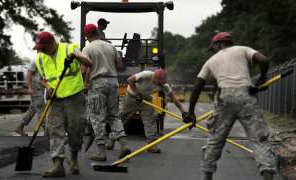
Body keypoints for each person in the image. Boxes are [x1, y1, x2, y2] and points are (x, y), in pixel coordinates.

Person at [183, 32, 276, 180]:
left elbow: (196, 89)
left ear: (217, 45)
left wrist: (191, 114)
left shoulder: (211, 61)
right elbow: (263, 61)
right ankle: (267, 174)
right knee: (259, 139)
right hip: (247, 97)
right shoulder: (243, 50)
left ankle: (207, 175)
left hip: (225, 98)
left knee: (215, 139)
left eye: (212, 48)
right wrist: (262, 79)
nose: (212, 51)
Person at [33, 31, 93, 177]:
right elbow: (41, 78)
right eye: (38, 48)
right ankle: (58, 164)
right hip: (55, 100)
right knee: (54, 130)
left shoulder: (69, 49)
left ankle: (73, 157)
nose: (40, 50)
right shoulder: (40, 57)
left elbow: (89, 63)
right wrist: (48, 88)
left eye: (42, 47)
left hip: (74, 97)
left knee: (76, 129)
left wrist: (75, 57)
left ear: (51, 43)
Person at [106, 69, 187, 153]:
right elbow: (129, 80)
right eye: (160, 82)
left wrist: (183, 112)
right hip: (131, 97)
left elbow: (174, 99)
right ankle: (111, 140)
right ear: (154, 78)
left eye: (163, 81)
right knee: (122, 118)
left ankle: (152, 145)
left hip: (145, 99)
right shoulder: (146, 75)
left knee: (151, 117)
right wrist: (137, 93)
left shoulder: (164, 85)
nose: (162, 83)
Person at [82, 24, 131, 161]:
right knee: (114, 116)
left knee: (97, 117)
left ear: (87, 35)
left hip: (97, 84)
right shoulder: (111, 46)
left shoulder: (88, 48)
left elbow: (83, 70)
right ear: (97, 32)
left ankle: (101, 151)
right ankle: (124, 144)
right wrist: (107, 65)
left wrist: (84, 85)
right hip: (113, 82)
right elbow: (120, 66)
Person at [14, 51, 47, 136]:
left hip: (41, 87)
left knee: (32, 109)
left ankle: (20, 127)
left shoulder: (44, 61)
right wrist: (30, 88)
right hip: (36, 87)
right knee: (41, 109)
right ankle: (47, 130)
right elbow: (29, 74)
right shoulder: (35, 61)